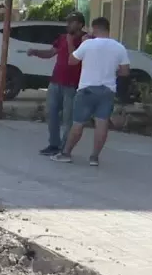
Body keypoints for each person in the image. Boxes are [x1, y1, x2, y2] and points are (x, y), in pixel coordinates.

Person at [53, 17, 129, 166]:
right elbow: (125, 72)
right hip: (107, 90)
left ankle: (66, 153)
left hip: (87, 89)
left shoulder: (87, 44)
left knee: (78, 123)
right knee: (102, 124)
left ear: (94, 28)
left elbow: (72, 61)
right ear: (108, 29)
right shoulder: (119, 47)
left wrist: (81, 44)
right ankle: (94, 157)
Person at [27, 11, 87, 156]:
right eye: (67, 21)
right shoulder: (61, 38)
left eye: (71, 22)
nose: (68, 24)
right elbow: (50, 53)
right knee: (51, 113)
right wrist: (35, 52)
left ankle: (65, 148)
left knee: (68, 118)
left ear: (79, 24)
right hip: (56, 82)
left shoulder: (85, 41)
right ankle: (53, 144)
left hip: (73, 85)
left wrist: (71, 42)